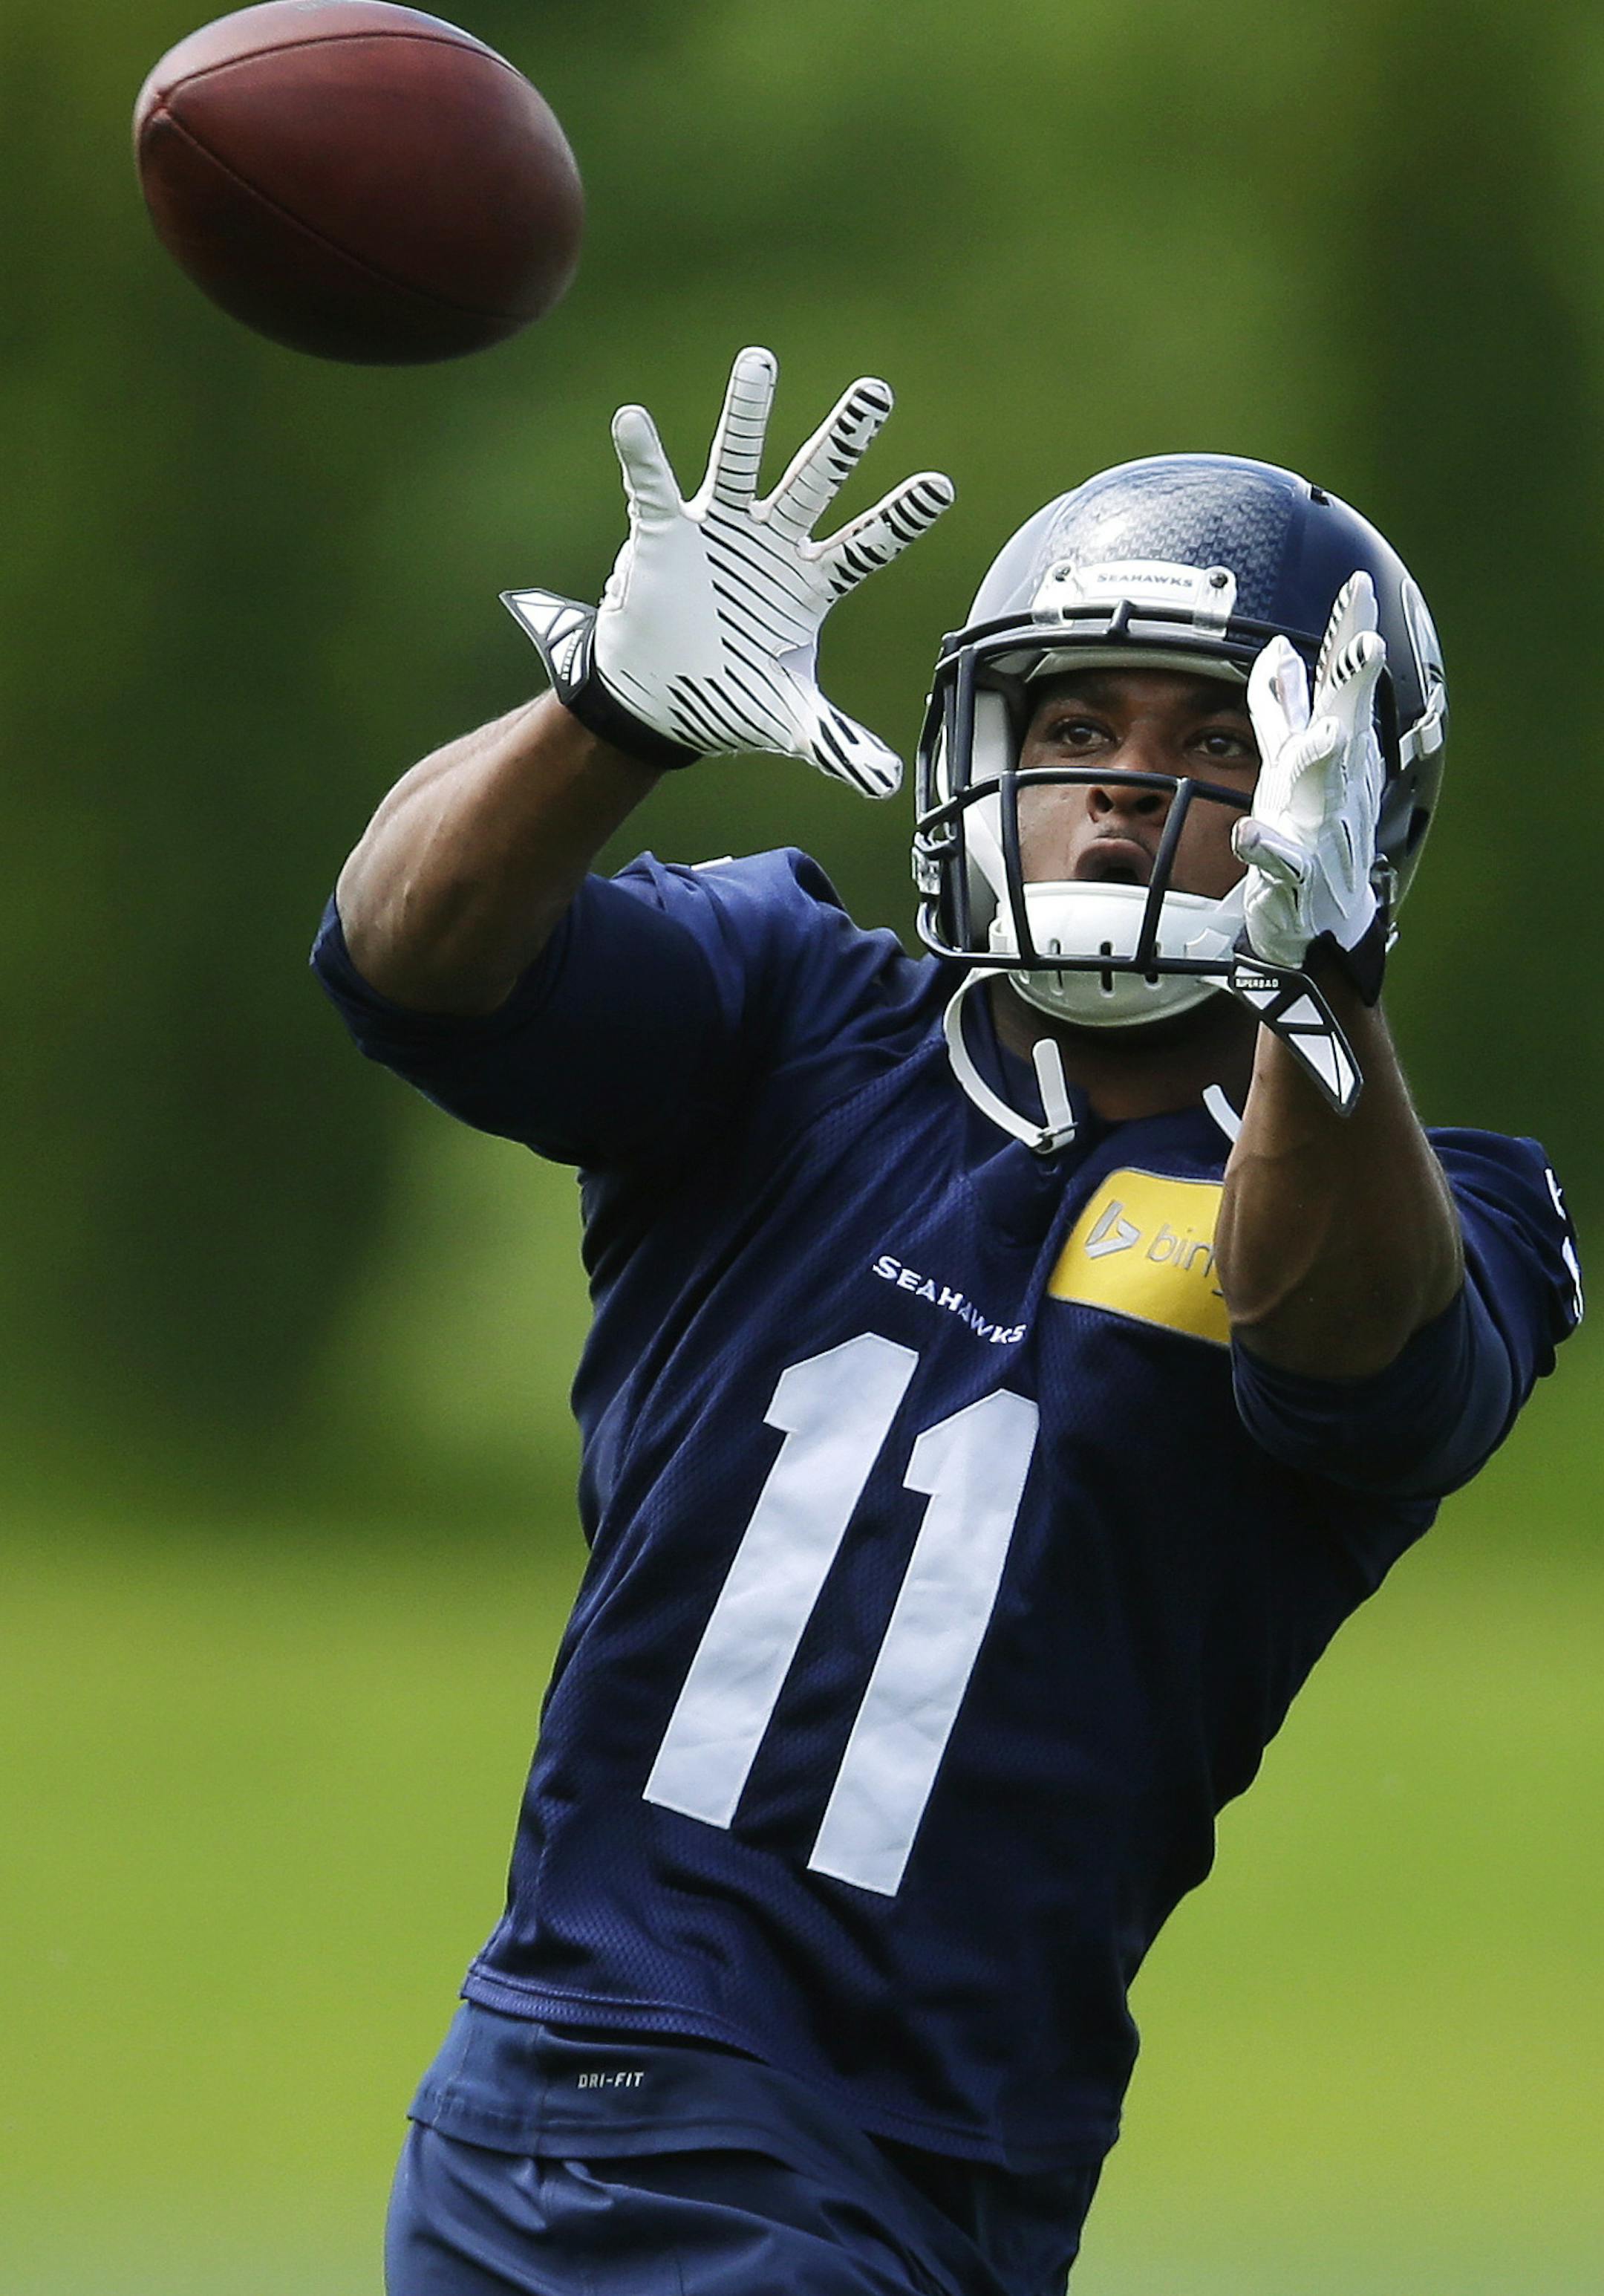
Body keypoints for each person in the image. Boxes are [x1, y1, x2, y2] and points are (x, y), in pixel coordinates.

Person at [314, 348, 1582, 2296]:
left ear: (1347, 798)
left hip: (921, 2174)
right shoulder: (784, 1011)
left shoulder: (1418, 1189)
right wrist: (602, 716)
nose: (1126, 790)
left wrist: (1323, 1005)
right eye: (1078, 723)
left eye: (1219, 743)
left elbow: (1355, 1350)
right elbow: (409, 956)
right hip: (576, 2102)